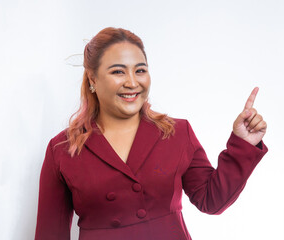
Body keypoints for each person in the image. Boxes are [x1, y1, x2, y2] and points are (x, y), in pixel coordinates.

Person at [35, 27, 268, 240]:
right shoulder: (63, 149)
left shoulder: (177, 133)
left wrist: (243, 145)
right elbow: (50, 234)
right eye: (118, 71)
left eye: (140, 70)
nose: (132, 82)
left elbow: (212, 200)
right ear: (93, 79)